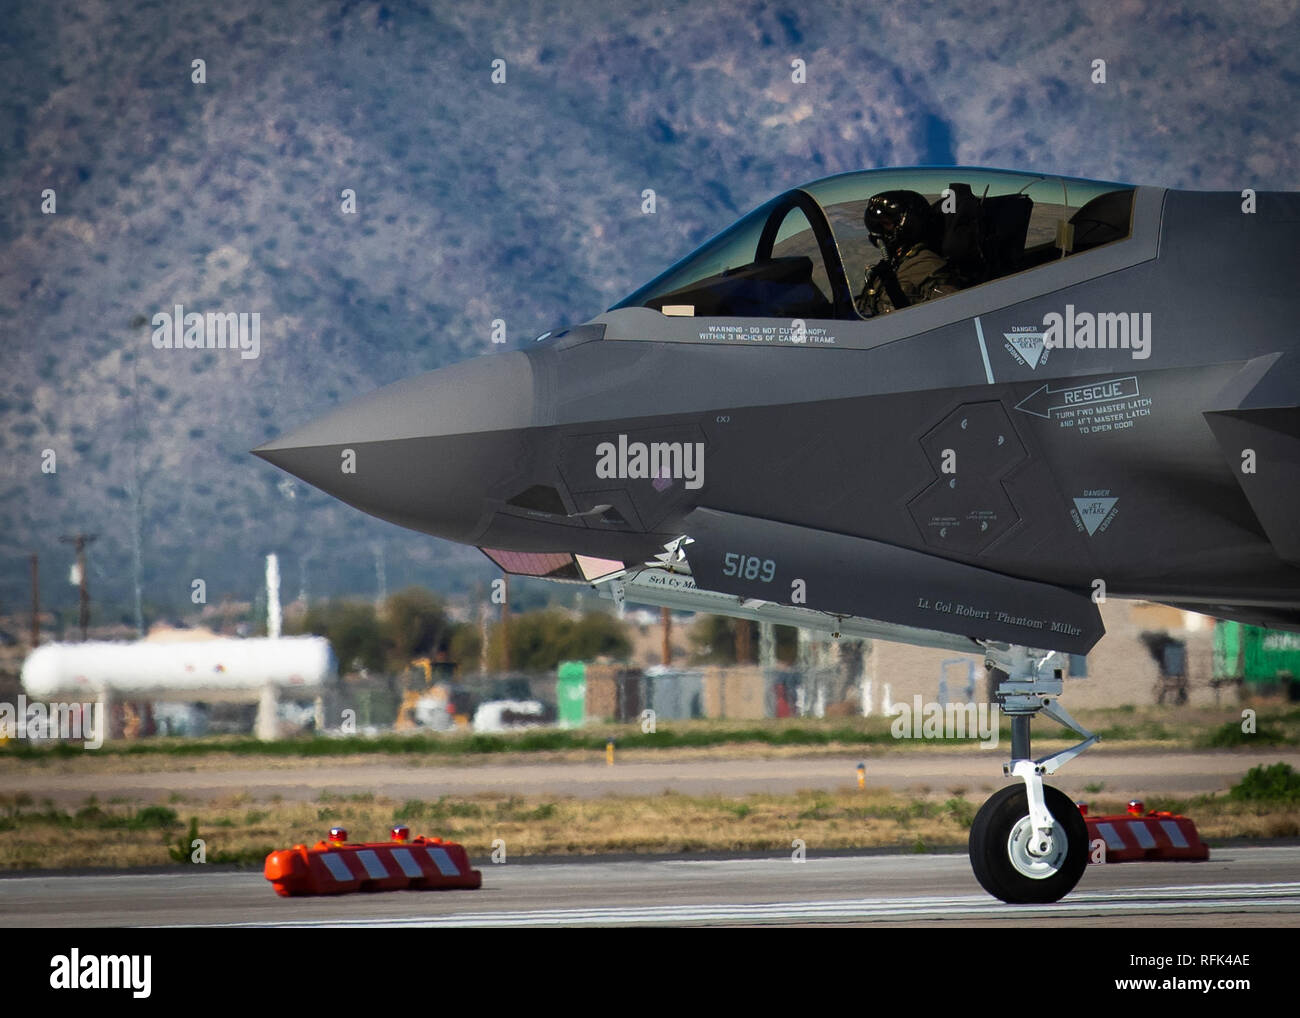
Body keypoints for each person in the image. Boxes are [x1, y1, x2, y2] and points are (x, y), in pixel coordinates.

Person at [856, 190, 959, 316]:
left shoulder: (928, 268)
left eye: (886, 224)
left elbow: (953, 315)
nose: (879, 233)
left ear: (910, 224)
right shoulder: (889, 268)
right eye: (878, 226)